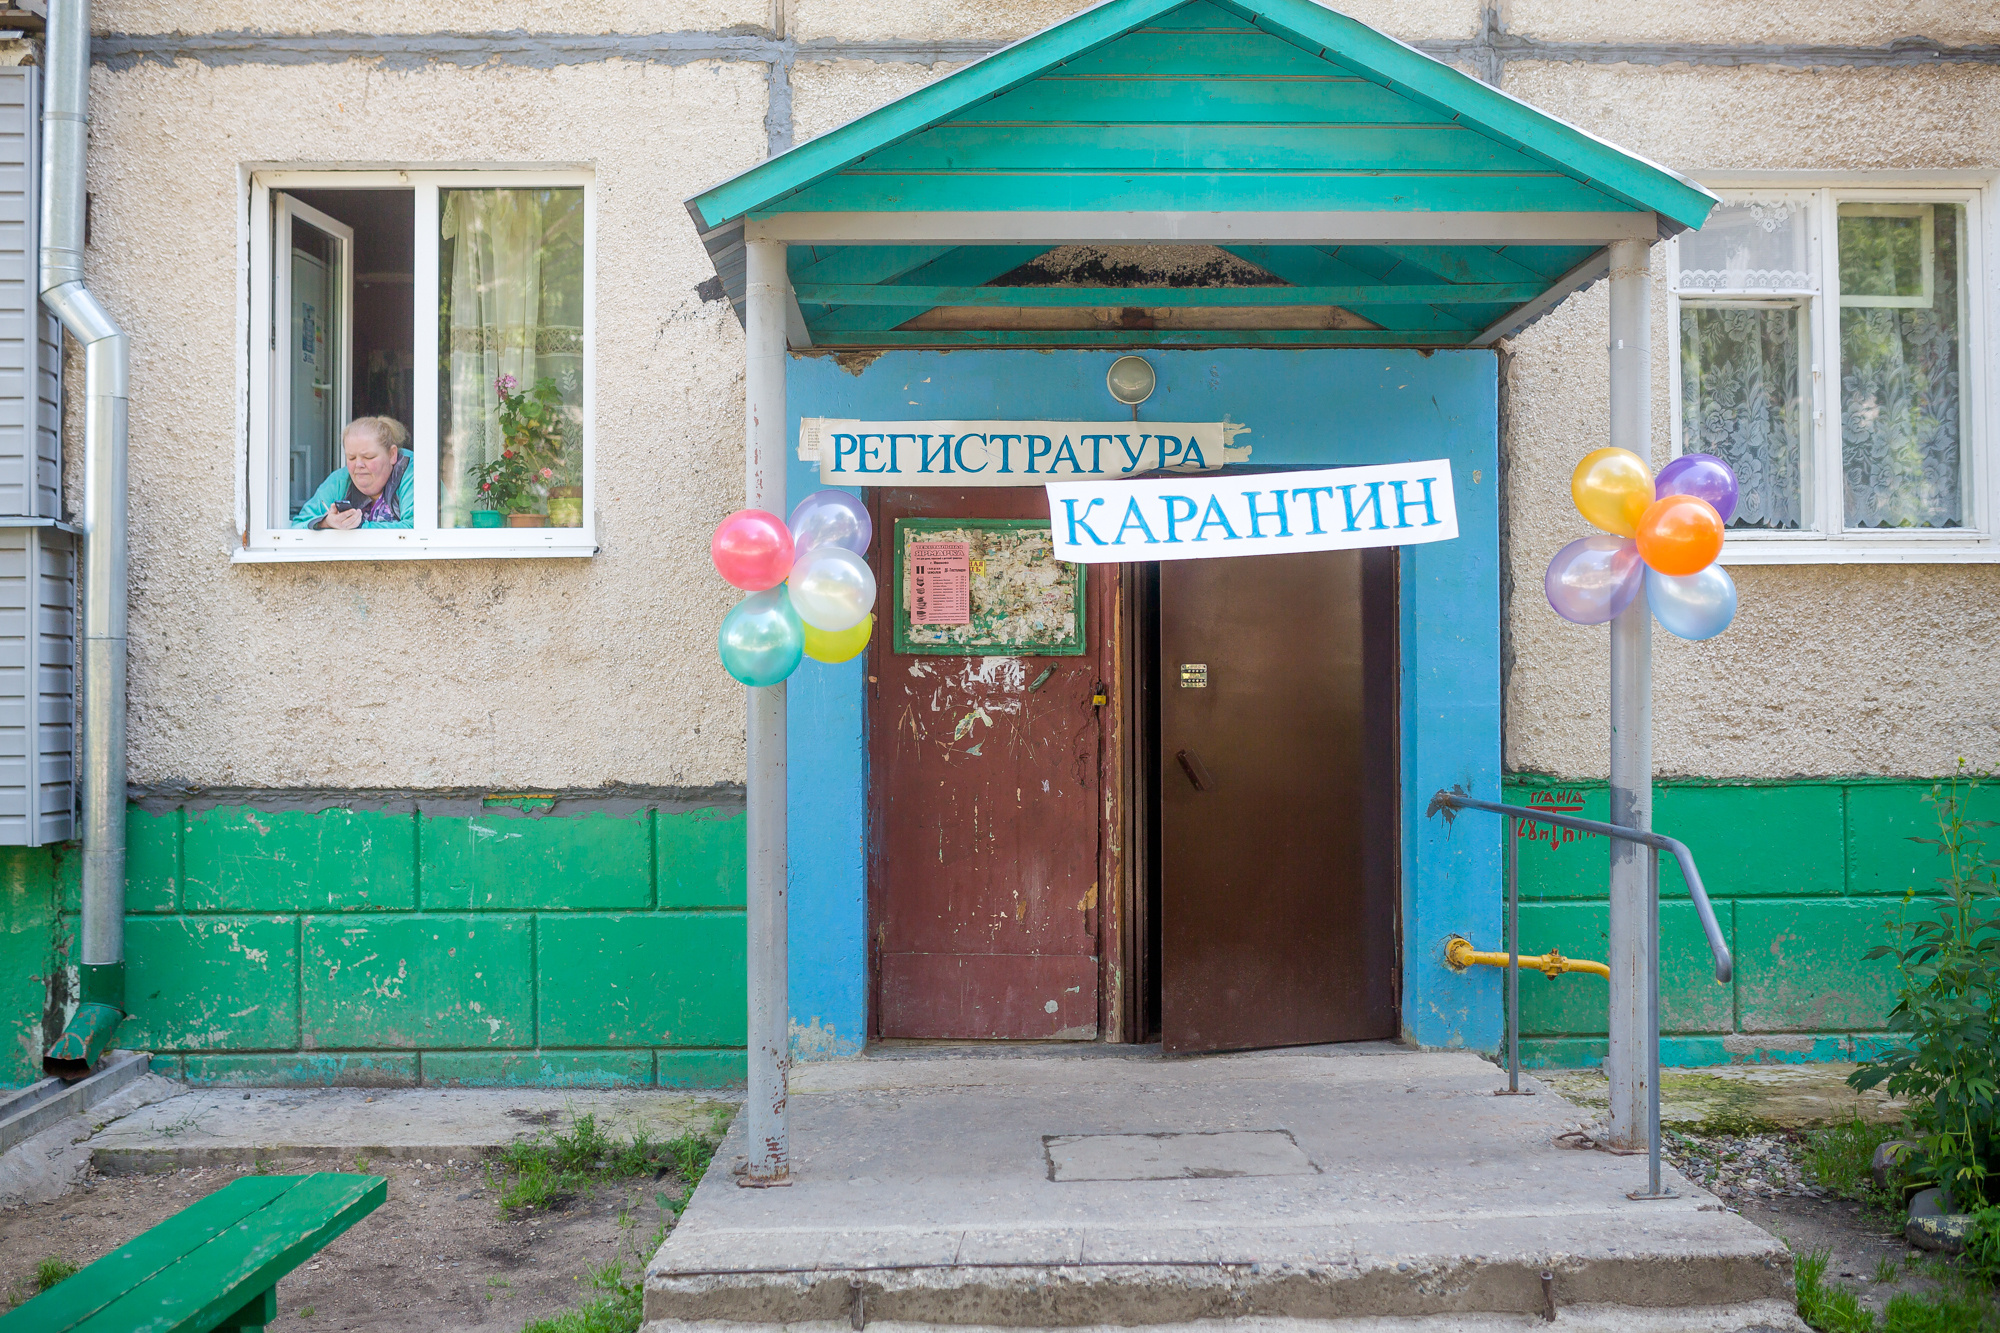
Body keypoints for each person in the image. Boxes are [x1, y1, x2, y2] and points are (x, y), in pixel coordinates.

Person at [293, 417, 414, 529]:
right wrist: (325, 523)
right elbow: (297, 526)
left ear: (392, 454)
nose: (358, 465)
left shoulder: (412, 472)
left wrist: (355, 529)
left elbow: (415, 529)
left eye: (368, 457)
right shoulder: (340, 480)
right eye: (351, 458)